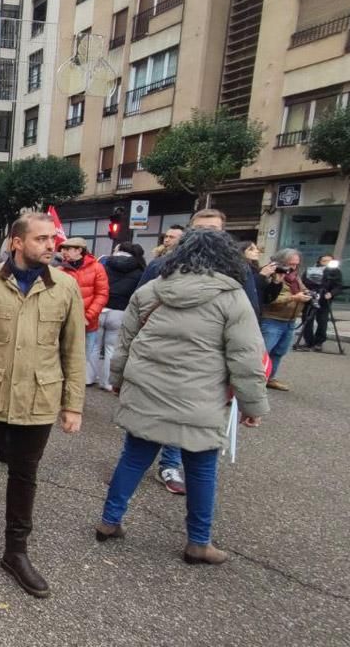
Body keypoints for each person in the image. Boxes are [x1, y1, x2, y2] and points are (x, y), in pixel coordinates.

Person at [99, 229, 269, 564]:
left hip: (147, 391)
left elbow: (125, 344)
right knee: (202, 470)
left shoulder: (151, 290)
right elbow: (246, 357)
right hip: (201, 398)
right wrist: (252, 405)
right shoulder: (232, 297)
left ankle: (109, 521)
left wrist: (117, 381)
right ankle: (198, 541)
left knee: (133, 458)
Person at [0, 212, 85, 599]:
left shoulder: (65, 288)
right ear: (17, 242)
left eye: (53, 239)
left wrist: (73, 405)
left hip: (39, 398)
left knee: (25, 473)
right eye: (41, 239)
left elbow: (74, 350)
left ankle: (16, 551)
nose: (51, 245)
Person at [136, 209, 259, 495]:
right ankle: (140, 477)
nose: (205, 236)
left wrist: (248, 388)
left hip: (206, 371)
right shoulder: (160, 267)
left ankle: (170, 466)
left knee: (192, 434)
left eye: (213, 230)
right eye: (199, 230)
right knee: (145, 432)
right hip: (159, 365)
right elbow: (138, 307)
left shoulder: (236, 270)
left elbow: (249, 323)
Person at [57, 237, 109, 388]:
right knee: (60, 359)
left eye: (67, 249)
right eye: (62, 249)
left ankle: (73, 395)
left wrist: (88, 316)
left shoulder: (97, 268)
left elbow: (102, 295)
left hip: (87, 325)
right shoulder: (60, 269)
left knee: (79, 363)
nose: (63, 252)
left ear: (79, 250)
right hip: (64, 324)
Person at [97, 242, 146, 392]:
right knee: (112, 348)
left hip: (101, 308)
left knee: (92, 347)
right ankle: (107, 382)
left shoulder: (104, 263)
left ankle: (88, 377)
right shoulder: (139, 269)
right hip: (121, 311)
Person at [258, 248, 309, 391]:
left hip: (289, 320)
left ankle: (269, 378)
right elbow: (268, 299)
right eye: (291, 264)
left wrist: (306, 293)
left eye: (296, 264)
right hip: (272, 319)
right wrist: (294, 297)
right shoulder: (270, 273)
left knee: (279, 351)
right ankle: (256, 380)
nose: (293, 267)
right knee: (263, 352)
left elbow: (302, 289)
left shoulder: (295, 276)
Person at [300, 254, 343, 351]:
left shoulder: (336, 272)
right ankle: (308, 341)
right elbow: (304, 282)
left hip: (325, 300)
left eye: (329, 261)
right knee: (307, 320)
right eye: (324, 261)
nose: (327, 263)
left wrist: (331, 294)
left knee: (322, 321)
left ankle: (319, 342)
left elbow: (339, 286)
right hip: (311, 298)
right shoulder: (311, 270)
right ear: (319, 261)